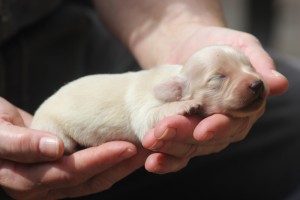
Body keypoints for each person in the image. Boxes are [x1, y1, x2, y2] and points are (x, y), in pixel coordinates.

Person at [0, 0, 299, 199]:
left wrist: (182, 30)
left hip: (66, 28)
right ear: (176, 91)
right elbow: (147, 125)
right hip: (53, 124)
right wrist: (177, 108)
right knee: (54, 158)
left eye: (246, 67)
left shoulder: (179, 79)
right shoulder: (165, 93)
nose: (253, 81)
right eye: (220, 79)